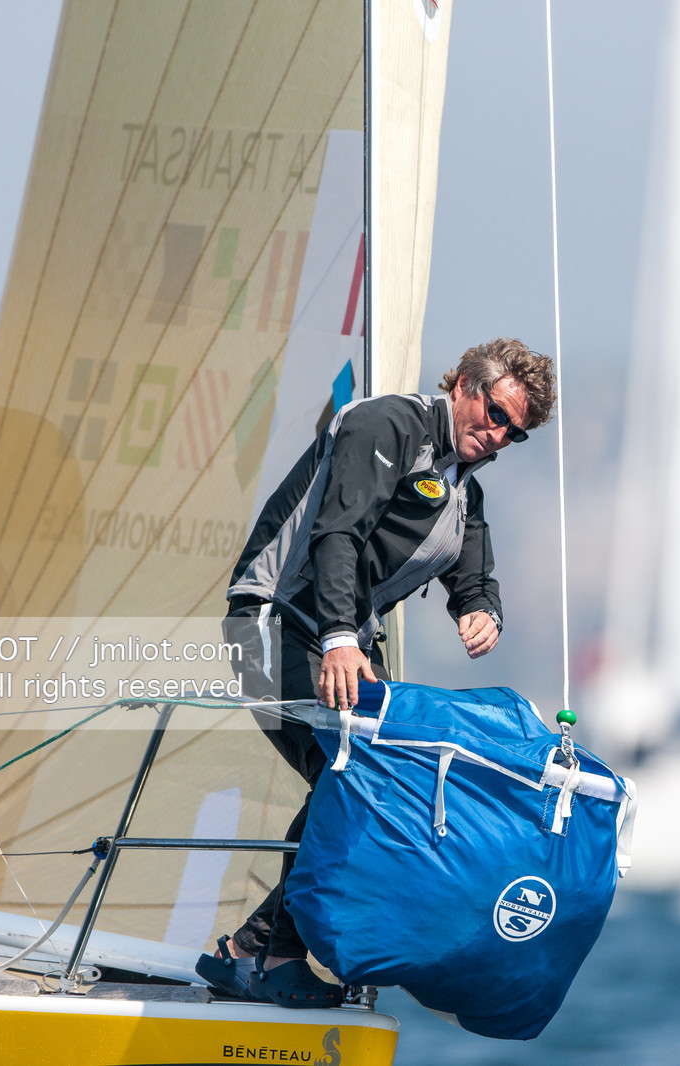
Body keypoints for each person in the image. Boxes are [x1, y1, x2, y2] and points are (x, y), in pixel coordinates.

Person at [196, 337, 557, 1008]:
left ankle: (260, 948)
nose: (500, 436)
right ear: (466, 387)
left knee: (389, 788)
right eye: (498, 414)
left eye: (516, 432)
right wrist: (337, 637)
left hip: (344, 641)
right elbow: (340, 533)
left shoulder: (459, 488)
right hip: (279, 621)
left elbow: (474, 575)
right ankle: (264, 952)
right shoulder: (386, 423)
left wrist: (481, 612)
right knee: (355, 781)